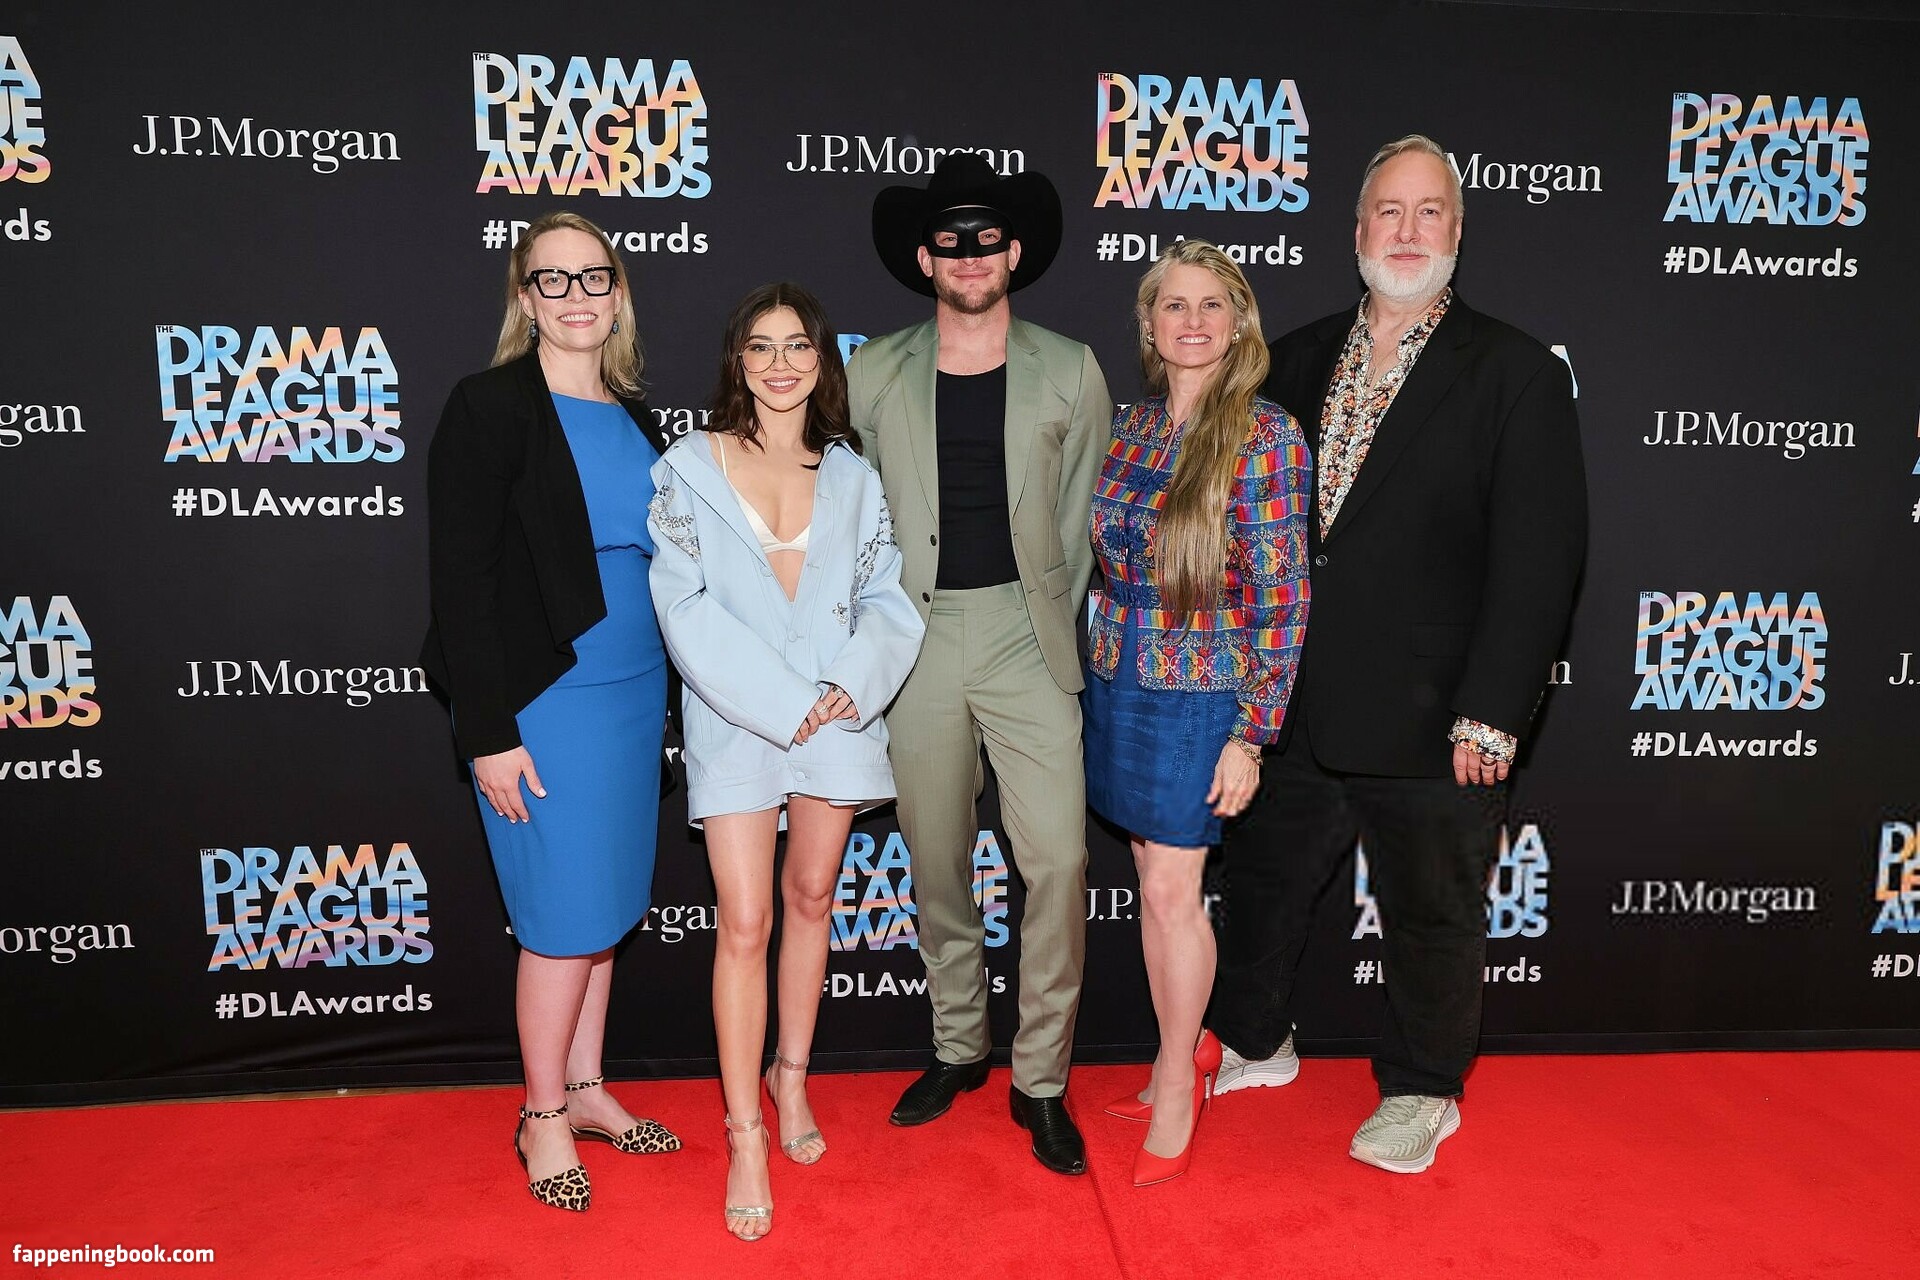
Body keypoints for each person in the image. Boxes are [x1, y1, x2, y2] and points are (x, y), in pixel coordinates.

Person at [1210, 134, 1588, 1174]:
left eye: (1429, 212)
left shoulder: (1514, 371)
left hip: (1438, 713)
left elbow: (1541, 560)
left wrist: (1495, 711)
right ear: (1357, 230)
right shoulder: (1290, 358)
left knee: (1431, 911)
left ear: (1458, 232)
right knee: (1263, 888)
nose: (1408, 230)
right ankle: (1258, 1039)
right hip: (1293, 698)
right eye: (1389, 210)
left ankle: (1424, 1086)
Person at [849, 153, 1111, 1175]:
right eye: (949, 240)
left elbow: (1081, 516)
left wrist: (1046, 618)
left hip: (1025, 636)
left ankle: (1040, 1076)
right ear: (924, 258)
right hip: (913, 638)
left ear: (1014, 253)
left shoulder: (1071, 367)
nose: (968, 255)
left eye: (985, 238)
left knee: (1059, 859)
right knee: (937, 858)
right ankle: (960, 1044)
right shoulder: (873, 371)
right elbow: (852, 515)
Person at [648, 283, 924, 1240]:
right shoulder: (689, 467)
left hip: (838, 716)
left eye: (797, 345)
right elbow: (682, 607)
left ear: (821, 360)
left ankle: (791, 1079)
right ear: (738, 360)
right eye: (760, 347)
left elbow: (887, 597)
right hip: (737, 719)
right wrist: (781, 702)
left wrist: (848, 683)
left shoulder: (853, 476)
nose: (779, 364)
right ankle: (743, 1134)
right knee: (745, 920)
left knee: (811, 898)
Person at [421, 211, 680, 1212]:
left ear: (618, 294)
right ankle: (539, 1115)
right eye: (553, 279)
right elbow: (461, 583)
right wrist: (487, 731)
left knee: (603, 912)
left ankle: (585, 1087)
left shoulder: (638, 419)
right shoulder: (489, 407)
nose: (577, 296)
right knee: (562, 919)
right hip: (543, 702)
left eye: (594, 277)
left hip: (634, 697)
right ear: (525, 299)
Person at [1083, 241, 1310, 1186]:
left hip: (1206, 689)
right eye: (1173, 305)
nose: (1192, 321)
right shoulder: (1131, 425)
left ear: (1239, 319)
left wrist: (1251, 733)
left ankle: (1180, 1077)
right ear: (1149, 323)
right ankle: (1181, 1048)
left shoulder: (1265, 433)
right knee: (1151, 875)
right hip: (1118, 676)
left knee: (1174, 891)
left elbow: (1283, 597)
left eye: (1212, 304)